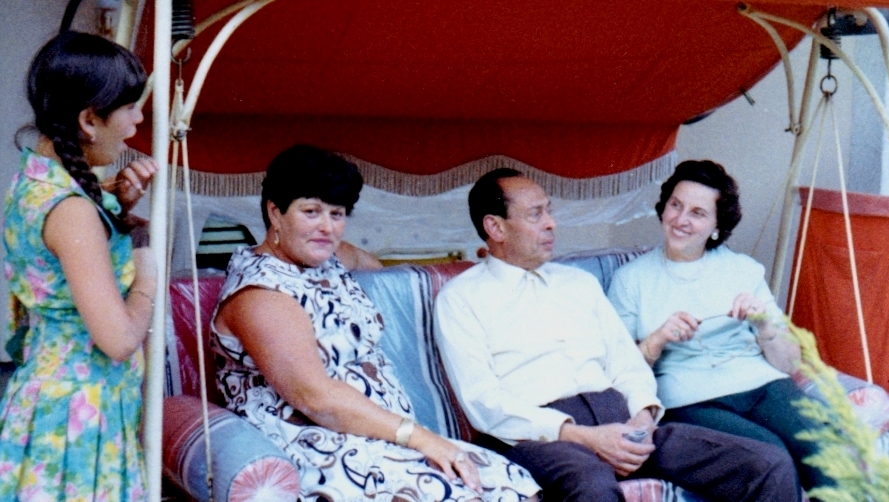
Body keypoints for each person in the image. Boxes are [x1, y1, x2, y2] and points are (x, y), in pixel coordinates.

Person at [434, 167, 801, 502]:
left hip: (622, 423)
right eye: (536, 215)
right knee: (592, 486)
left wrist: (642, 418)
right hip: (543, 437)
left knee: (767, 464)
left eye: (549, 211)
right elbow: (483, 401)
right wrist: (582, 437)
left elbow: (627, 362)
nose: (551, 224)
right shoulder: (462, 298)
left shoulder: (578, 283)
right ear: (495, 228)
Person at [210, 144, 539, 501]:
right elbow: (317, 399)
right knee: (459, 494)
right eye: (310, 211)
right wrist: (424, 438)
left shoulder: (325, 257)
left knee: (514, 482)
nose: (326, 227)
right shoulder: (261, 295)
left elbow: (367, 264)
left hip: (383, 437)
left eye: (336, 214)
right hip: (320, 448)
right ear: (275, 212)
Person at [607, 159, 832, 492]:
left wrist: (764, 324)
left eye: (697, 213)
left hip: (762, 385)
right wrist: (656, 340)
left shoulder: (744, 270)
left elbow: (789, 364)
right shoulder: (631, 280)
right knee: (773, 458)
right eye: (675, 205)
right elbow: (615, 372)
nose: (680, 220)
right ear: (663, 207)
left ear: (716, 225)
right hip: (691, 398)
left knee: (826, 449)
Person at [0, 32, 158, 500]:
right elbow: (119, 339)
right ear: (89, 119)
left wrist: (117, 207)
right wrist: (145, 257)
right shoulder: (69, 210)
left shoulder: (36, 179)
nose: (138, 120)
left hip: (56, 407)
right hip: (78, 421)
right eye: (130, 107)